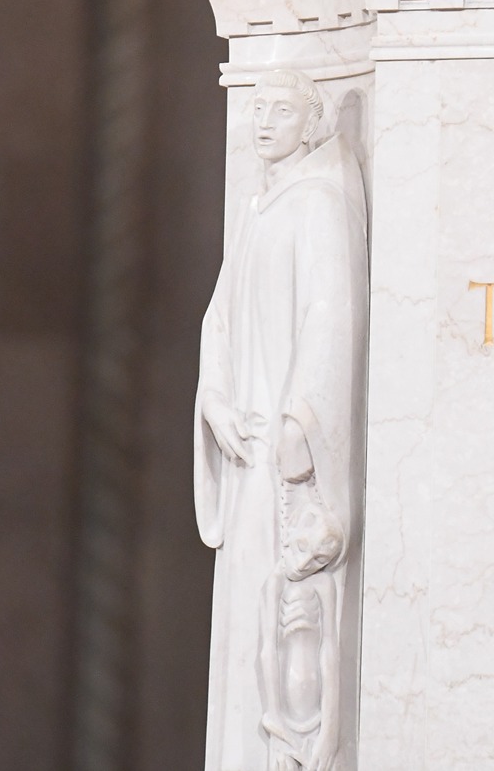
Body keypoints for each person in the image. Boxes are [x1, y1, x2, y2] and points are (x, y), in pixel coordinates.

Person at [197, 68, 368, 771]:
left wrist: (302, 420)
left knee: (287, 611)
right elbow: (220, 318)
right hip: (247, 436)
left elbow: (330, 315)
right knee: (247, 612)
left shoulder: (320, 203)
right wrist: (212, 395)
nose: (264, 122)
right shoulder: (261, 206)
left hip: (283, 444)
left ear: (311, 120)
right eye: (259, 108)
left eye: (281, 110)